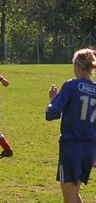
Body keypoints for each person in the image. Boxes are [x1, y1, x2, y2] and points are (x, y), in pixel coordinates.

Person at [46, 48, 96, 203]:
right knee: (74, 193)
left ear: (78, 67)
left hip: (71, 147)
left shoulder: (71, 85)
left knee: (69, 197)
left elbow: (52, 114)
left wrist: (53, 99)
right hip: (90, 149)